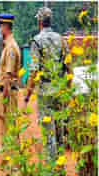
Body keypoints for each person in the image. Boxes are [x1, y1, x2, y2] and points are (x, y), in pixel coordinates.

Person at [24, 7, 69, 160]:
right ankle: (60, 169)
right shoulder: (61, 39)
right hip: (60, 89)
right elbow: (68, 67)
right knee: (60, 131)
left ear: (39, 22)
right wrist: (68, 91)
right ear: (50, 21)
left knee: (49, 134)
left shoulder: (36, 41)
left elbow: (34, 70)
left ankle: (52, 170)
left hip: (45, 91)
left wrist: (27, 95)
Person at [0, 13, 21, 176]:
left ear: (5, 26)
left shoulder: (11, 48)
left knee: (11, 137)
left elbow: (8, 78)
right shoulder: (7, 46)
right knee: (5, 137)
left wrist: (4, 102)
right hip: (6, 95)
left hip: (8, 95)